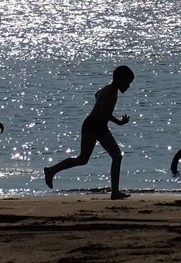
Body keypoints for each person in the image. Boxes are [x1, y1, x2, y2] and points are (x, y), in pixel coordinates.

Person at [44, 65, 134, 200]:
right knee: (83, 159)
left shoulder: (108, 89)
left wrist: (101, 104)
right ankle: (51, 170)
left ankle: (115, 192)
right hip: (92, 125)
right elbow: (103, 111)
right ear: (118, 79)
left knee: (117, 156)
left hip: (100, 126)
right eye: (127, 83)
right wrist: (119, 122)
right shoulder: (110, 91)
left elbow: (97, 94)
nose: (128, 86)